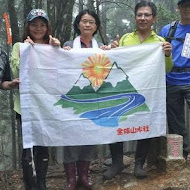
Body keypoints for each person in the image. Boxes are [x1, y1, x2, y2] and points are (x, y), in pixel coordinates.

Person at [103, 0, 173, 180]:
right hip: (124, 91)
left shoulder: (160, 41)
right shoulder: (126, 38)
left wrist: (166, 54)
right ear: (135, 18)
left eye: (147, 15)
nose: (143, 18)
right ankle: (117, 162)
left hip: (148, 92)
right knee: (116, 122)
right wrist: (112, 51)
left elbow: (166, 69)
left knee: (145, 123)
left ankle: (139, 164)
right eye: (139, 15)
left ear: (153, 18)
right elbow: (115, 63)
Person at [11, 9, 60, 190]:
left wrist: (58, 48)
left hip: (47, 106)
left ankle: (41, 183)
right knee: (27, 149)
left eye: (42, 24)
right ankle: (30, 185)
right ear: (28, 26)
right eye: (34, 24)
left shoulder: (52, 46)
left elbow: (61, 72)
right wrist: (27, 50)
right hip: (25, 107)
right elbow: (16, 73)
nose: (38, 28)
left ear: (47, 27)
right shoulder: (19, 46)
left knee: (43, 146)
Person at [63, 9, 109, 190]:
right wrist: (62, 53)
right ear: (78, 24)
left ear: (96, 26)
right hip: (74, 98)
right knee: (70, 137)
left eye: (91, 21)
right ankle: (70, 178)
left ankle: (84, 175)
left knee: (89, 135)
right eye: (84, 21)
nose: (87, 24)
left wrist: (110, 52)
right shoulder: (68, 45)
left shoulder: (101, 48)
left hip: (95, 99)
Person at [160, 0, 190, 161]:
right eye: (184, 5)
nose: (188, 9)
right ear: (178, 7)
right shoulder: (168, 29)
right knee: (175, 121)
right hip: (171, 79)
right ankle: (181, 154)